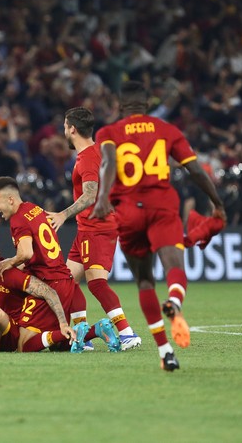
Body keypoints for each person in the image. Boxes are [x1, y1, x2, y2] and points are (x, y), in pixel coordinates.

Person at [91, 81, 226, 371]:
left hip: (127, 211)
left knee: (144, 281)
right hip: (162, 206)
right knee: (174, 266)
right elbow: (194, 169)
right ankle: (174, 301)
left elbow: (109, 163)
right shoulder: (167, 130)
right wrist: (217, 202)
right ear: (147, 104)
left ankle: (165, 351)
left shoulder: (108, 132)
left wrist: (102, 198)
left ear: (119, 104)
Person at [0, 177, 119, 353]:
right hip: (64, 280)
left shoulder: (18, 219)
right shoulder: (33, 208)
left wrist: (8, 262)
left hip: (49, 283)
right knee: (58, 344)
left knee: (24, 345)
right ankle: (97, 329)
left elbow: (26, 253)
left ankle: (78, 331)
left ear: (10, 199)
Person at [46, 107, 142, 351]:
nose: (64, 131)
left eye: (65, 127)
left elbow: (90, 194)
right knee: (68, 281)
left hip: (97, 228)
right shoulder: (99, 151)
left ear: (72, 129)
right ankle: (82, 336)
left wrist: (63, 214)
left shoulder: (88, 157)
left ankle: (127, 333)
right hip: (88, 228)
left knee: (97, 284)